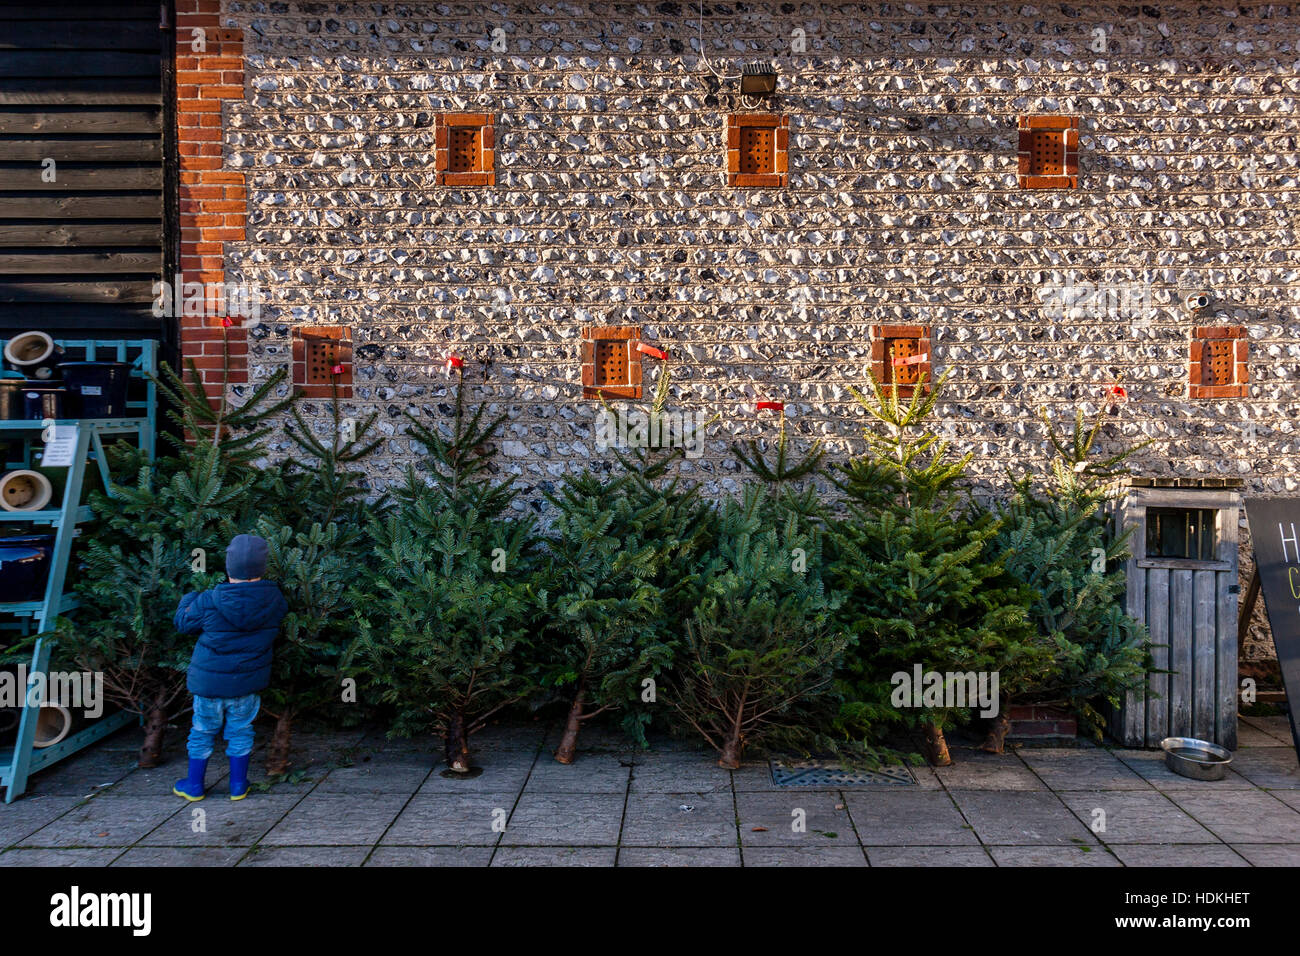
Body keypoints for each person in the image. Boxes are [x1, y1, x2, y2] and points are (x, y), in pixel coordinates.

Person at [171, 534, 287, 801]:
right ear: (262, 567)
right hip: (246, 685)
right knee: (241, 731)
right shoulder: (275, 599)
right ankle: (238, 785)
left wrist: (189, 597)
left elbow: (183, 623)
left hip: (209, 687)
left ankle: (195, 785)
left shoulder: (209, 599)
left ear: (228, 567)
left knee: (202, 731)